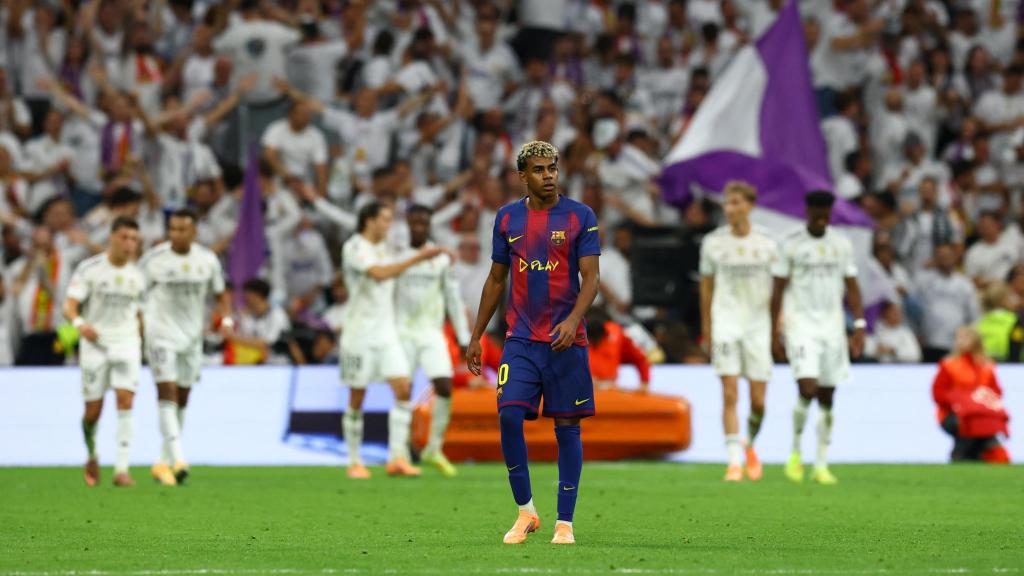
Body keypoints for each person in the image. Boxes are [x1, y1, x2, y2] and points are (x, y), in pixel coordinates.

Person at [467, 140, 601, 546]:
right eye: (539, 170)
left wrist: (573, 320)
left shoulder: (580, 216)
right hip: (521, 339)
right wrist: (476, 335)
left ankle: (565, 522)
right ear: (522, 176)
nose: (548, 176)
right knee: (508, 416)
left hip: (566, 341)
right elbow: (496, 279)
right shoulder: (508, 217)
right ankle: (526, 511)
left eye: (552, 168)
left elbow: (591, 278)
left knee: (567, 427)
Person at [340, 202, 447, 480]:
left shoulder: (386, 249)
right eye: (385, 220)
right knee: (357, 396)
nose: (389, 226)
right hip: (359, 334)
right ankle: (354, 461)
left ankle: (396, 458)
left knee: (402, 388)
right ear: (369, 220)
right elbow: (379, 274)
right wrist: (419, 258)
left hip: (386, 333)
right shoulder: (354, 247)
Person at [771, 191, 865, 486]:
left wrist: (859, 325)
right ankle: (795, 453)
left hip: (832, 328)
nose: (822, 216)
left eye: (826, 211)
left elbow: (852, 286)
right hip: (800, 325)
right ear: (807, 211)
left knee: (827, 396)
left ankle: (821, 464)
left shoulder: (841, 244)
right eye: (817, 210)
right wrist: (774, 331)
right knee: (807, 387)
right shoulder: (791, 244)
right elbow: (777, 289)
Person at [139, 209, 231, 486]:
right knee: (166, 391)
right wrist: (139, 324)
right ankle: (179, 459)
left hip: (192, 337)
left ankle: (161, 462)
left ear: (194, 232)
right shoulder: (154, 259)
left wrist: (226, 319)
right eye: (172, 229)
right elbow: (137, 294)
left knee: (183, 396)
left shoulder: (207, 260)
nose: (176, 235)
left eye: (182, 229)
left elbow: (221, 294)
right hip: (160, 334)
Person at [699, 181, 777, 482]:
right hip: (726, 323)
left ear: (750, 205)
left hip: (758, 326)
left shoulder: (767, 243)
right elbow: (706, 289)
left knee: (758, 403)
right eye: (726, 203)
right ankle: (733, 462)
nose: (729, 209)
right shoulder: (713, 243)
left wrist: (780, 323)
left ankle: (749, 444)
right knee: (729, 392)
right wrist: (708, 329)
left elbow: (780, 286)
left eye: (735, 203)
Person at [62, 217, 144, 487]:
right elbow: (69, 306)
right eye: (124, 237)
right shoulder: (90, 269)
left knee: (125, 400)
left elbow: (142, 314)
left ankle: (122, 469)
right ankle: (92, 453)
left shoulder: (140, 275)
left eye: (134, 239)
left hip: (127, 344)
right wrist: (80, 324)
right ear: (112, 238)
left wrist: (144, 342)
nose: (129, 244)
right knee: (92, 413)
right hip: (95, 345)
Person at [395, 204, 471, 477]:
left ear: (428, 225)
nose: (418, 227)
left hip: (431, 333)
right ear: (407, 223)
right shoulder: (398, 257)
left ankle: (433, 447)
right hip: (402, 333)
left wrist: (463, 336)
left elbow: (453, 299)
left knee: (444, 387)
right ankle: (400, 453)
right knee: (402, 391)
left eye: (422, 222)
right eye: (414, 222)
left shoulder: (440, 260)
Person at [932, 326, 1011, 463]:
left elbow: (996, 391)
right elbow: (938, 392)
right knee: (971, 430)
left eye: (965, 337)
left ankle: (966, 458)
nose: (960, 341)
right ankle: (965, 457)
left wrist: (978, 401)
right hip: (954, 415)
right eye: (958, 338)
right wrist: (959, 403)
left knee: (983, 434)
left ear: (975, 341)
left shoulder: (986, 366)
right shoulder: (949, 364)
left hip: (981, 415)